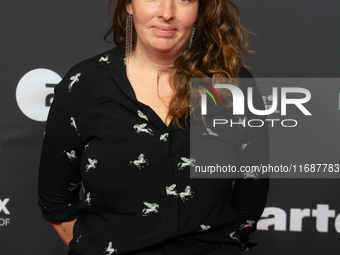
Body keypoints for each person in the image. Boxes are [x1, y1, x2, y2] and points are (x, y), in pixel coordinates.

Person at [38, 0, 270, 255]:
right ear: (129, 4)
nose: (166, 13)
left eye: (184, 0)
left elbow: (250, 198)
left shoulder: (233, 84)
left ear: (199, 9)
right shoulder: (82, 85)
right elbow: (56, 201)